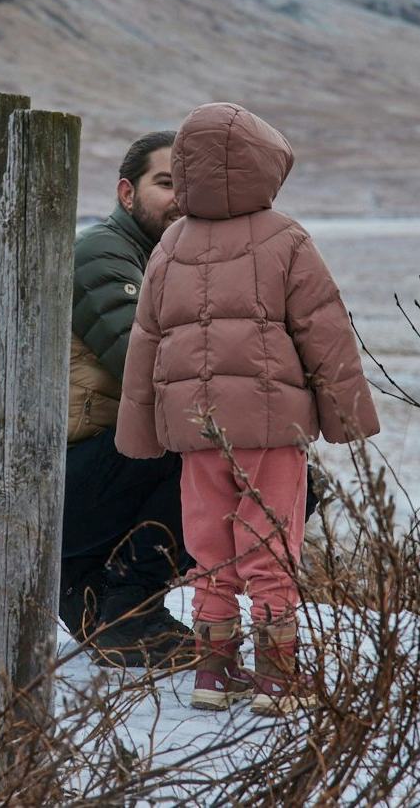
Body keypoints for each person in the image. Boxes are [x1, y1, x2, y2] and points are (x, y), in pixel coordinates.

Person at [116, 102, 379, 713]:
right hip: (268, 428)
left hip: (195, 431)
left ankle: (212, 676)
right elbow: (324, 330)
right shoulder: (286, 237)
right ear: (265, 166)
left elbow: (145, 342)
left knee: (209, 550)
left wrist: (140, 431)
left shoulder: (171, 245)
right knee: (271, 545)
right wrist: (346, 416)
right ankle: (278, 681)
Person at [60, 130, 194, 668]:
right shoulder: (104, 255)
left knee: (283, 476)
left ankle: (112, 601)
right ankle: (128, 604)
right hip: (64, 484)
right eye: (165, 183)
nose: (180, 198)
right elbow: (153, 373)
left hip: (106, 475)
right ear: (126, 193)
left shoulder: (177, 260)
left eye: (190, 185)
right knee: (214, 452)